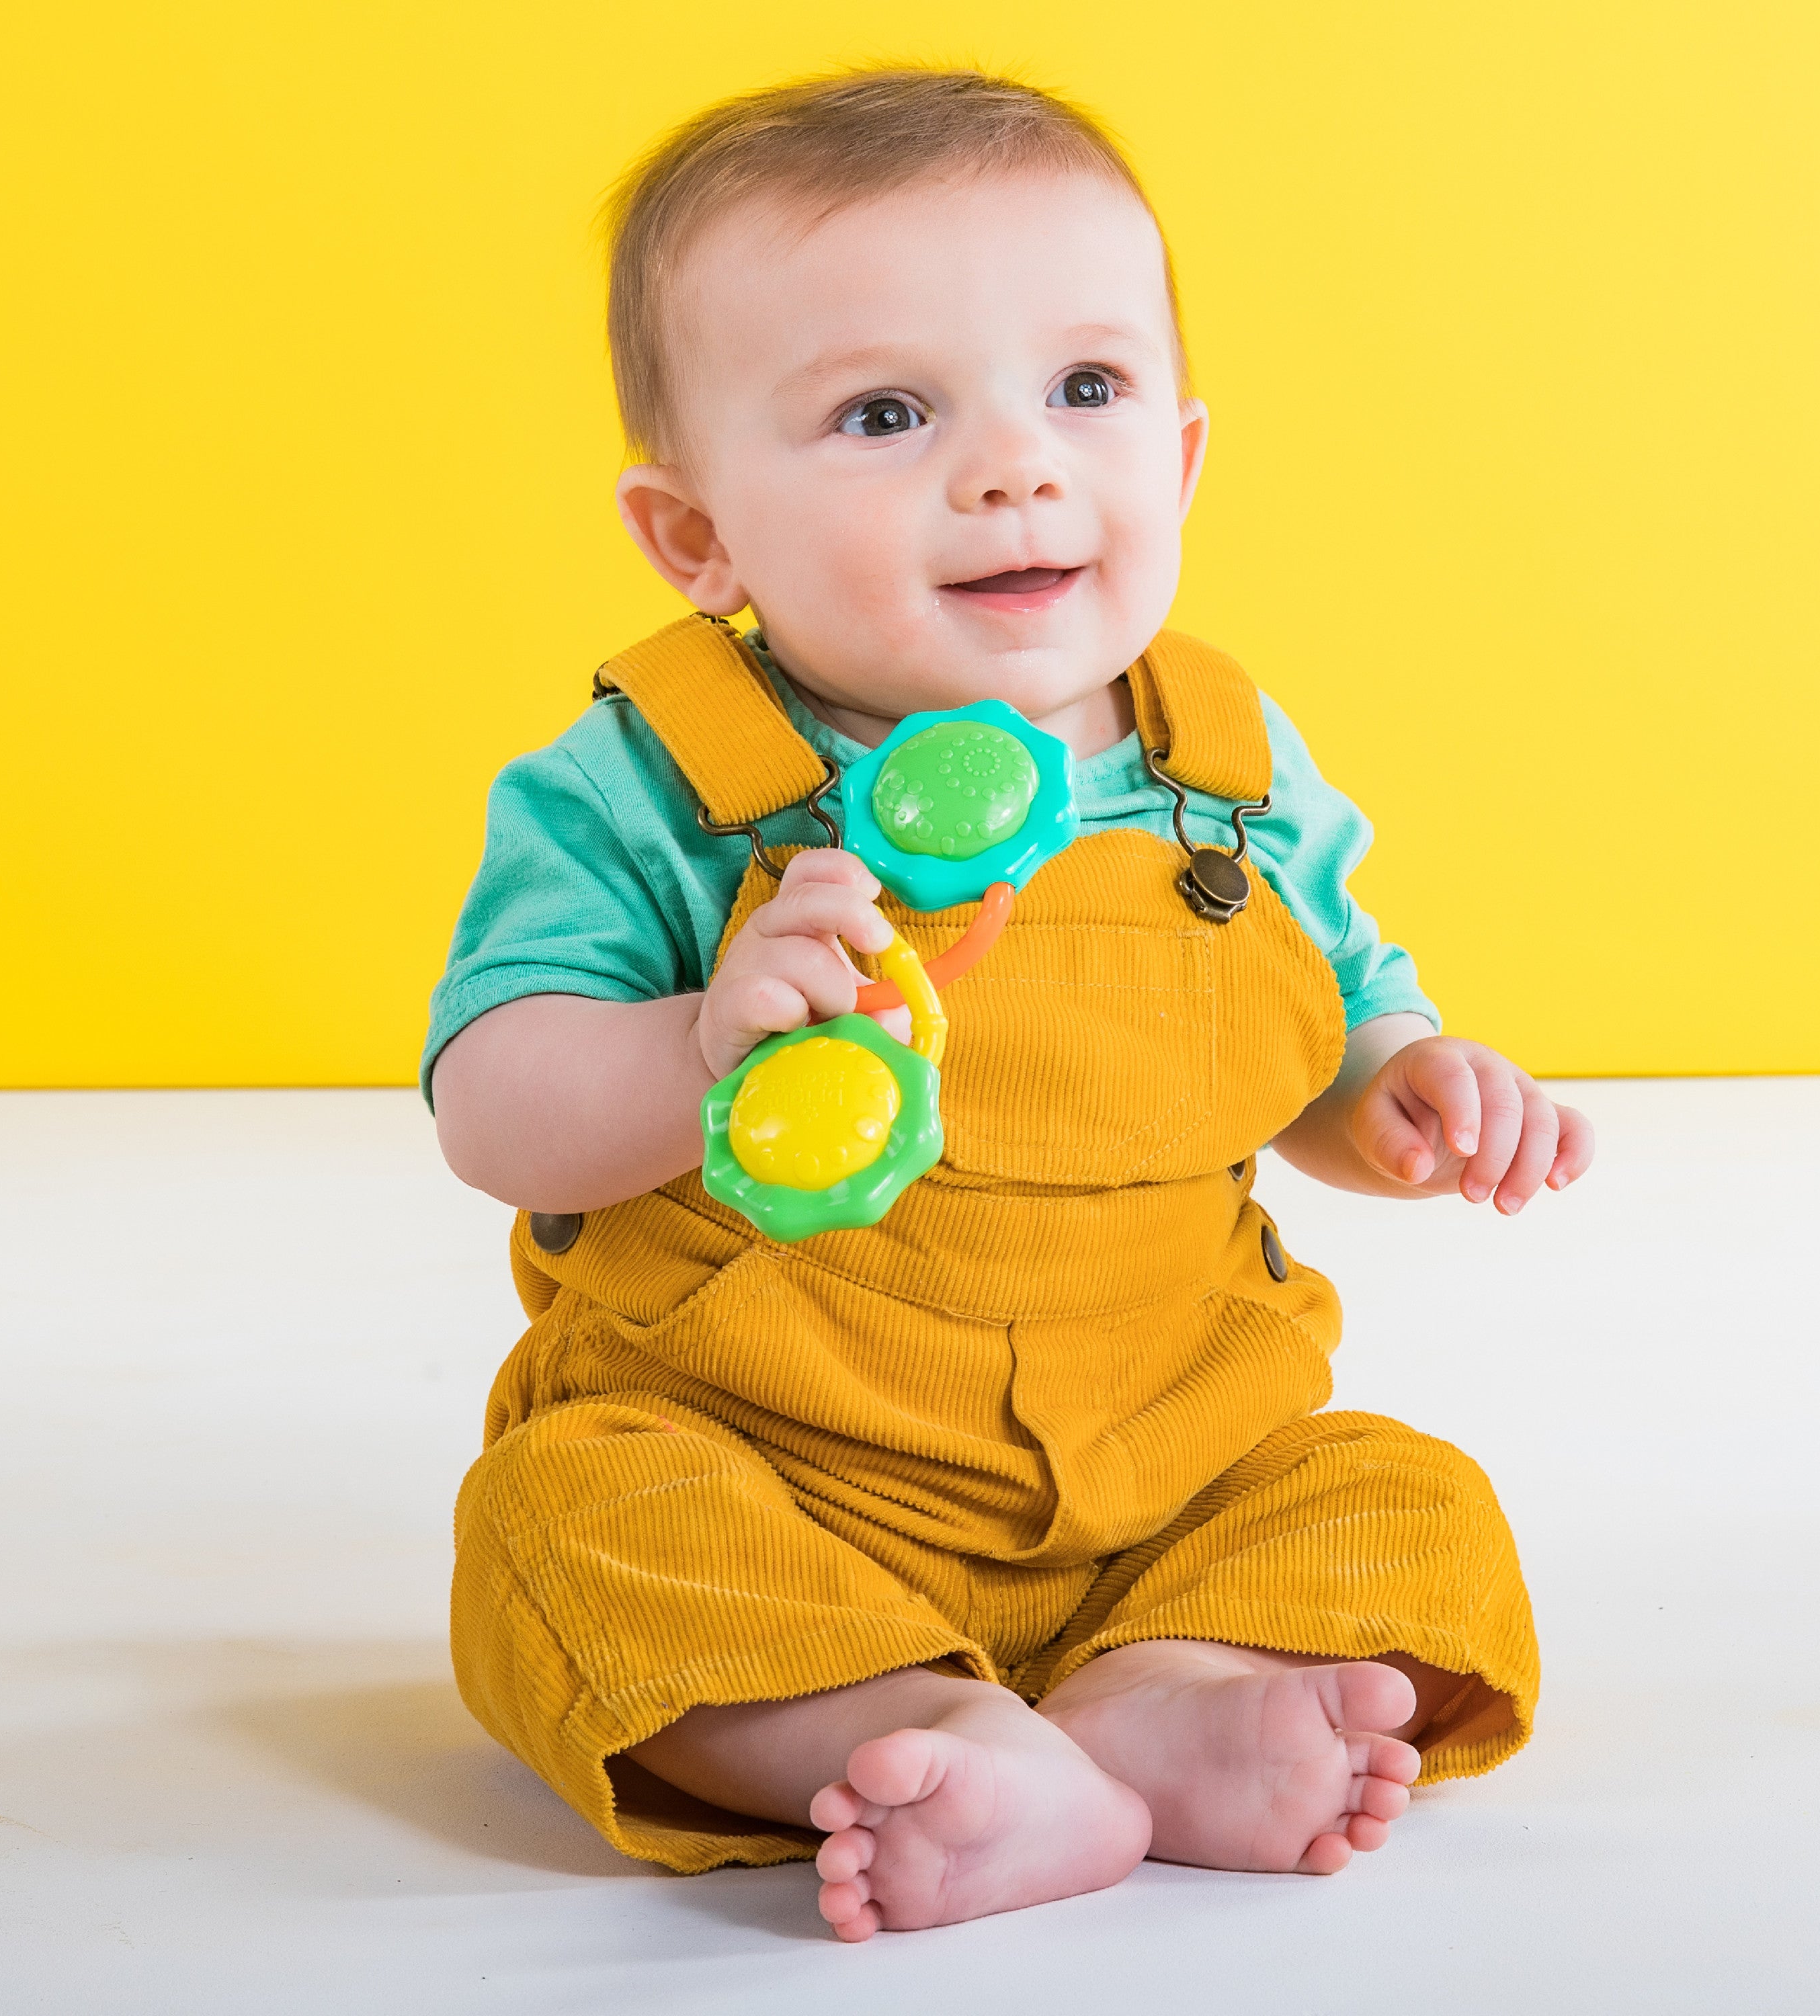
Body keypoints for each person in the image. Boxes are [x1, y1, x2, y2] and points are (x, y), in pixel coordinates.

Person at [425, 67, 1594, 1943]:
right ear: (696, 537)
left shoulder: (1226, 767)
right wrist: (694, 1041)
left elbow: (1327, 1020)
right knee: (562, 1531)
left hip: (1171, 1468)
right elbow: (494, 1111)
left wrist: (1403, 1088)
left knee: (1403, 1496)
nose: (1015, 468)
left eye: (1086, 388)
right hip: (761, 1465)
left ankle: (1167, 1686)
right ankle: (891, 1723)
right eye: (887, 414)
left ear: (1183, 459)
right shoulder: (652, 782)